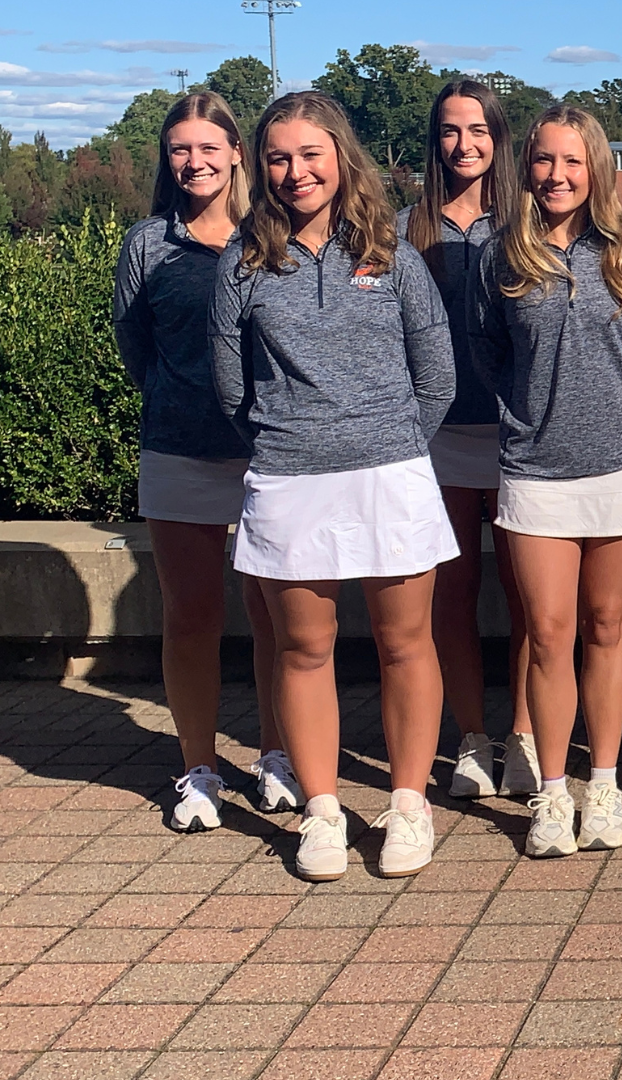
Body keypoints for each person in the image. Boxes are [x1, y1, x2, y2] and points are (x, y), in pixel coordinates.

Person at [210, 91, 457, 881]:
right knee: (305, 649)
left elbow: (439, 374)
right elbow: (228, 389)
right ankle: (321, 811)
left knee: (404, 643)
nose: (294, 171)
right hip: (288, 479)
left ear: (339, 157)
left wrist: (390, 443)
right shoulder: (242, 262)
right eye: (279, 157)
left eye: (309, 154)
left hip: (392, 475)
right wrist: (292, 440)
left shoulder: (392, 252)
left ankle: (410, 805)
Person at [467, 106, 622, 859]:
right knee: (549, 636)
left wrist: (608, 412)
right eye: (545, 162)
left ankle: (606, 784)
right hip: (536, 473)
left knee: (606, 629)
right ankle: (553, 794)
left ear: (597, 171)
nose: (557, 176)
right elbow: (489, 353)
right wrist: (535, 415)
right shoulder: (502, 256)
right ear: (529, 169)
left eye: (572, 163)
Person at [114, 90, 297, 831]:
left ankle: (278, 756)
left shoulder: (273, 239)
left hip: (272, 457)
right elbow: (137, 351)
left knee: (278, 621)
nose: (194, 161)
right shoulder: (146, 244)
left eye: (207, 147)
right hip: (178, 451)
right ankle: (199, 768)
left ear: (235, 155)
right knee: (190, 618)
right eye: (179, 148)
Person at [399, 78, 538, 800]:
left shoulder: (530, 224)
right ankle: (471, 738)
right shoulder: (403, 230)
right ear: (435, 141)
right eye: (451, 131)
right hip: (438, 441)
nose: (465, 145)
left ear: (499, 138)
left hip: (520, 439)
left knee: (527, 602)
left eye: (478, 130)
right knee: (450, 597)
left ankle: (523, 735)